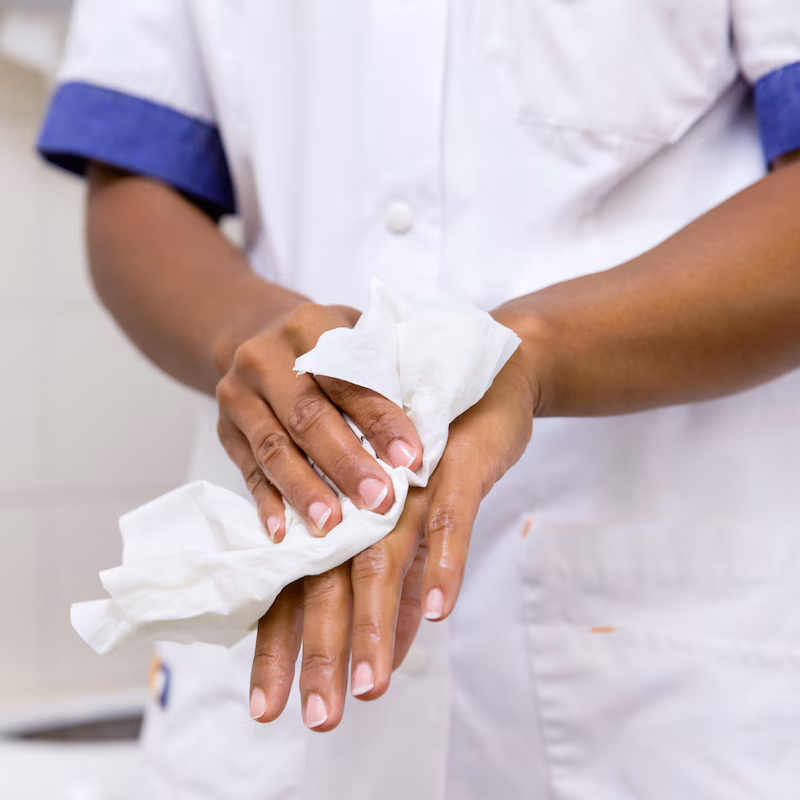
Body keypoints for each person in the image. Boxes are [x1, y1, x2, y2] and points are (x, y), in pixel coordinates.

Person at [38, 2, 800, 798]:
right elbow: (135, 183)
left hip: (659, 682)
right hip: (271, 709)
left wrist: (528, 354)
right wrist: (252, 335)